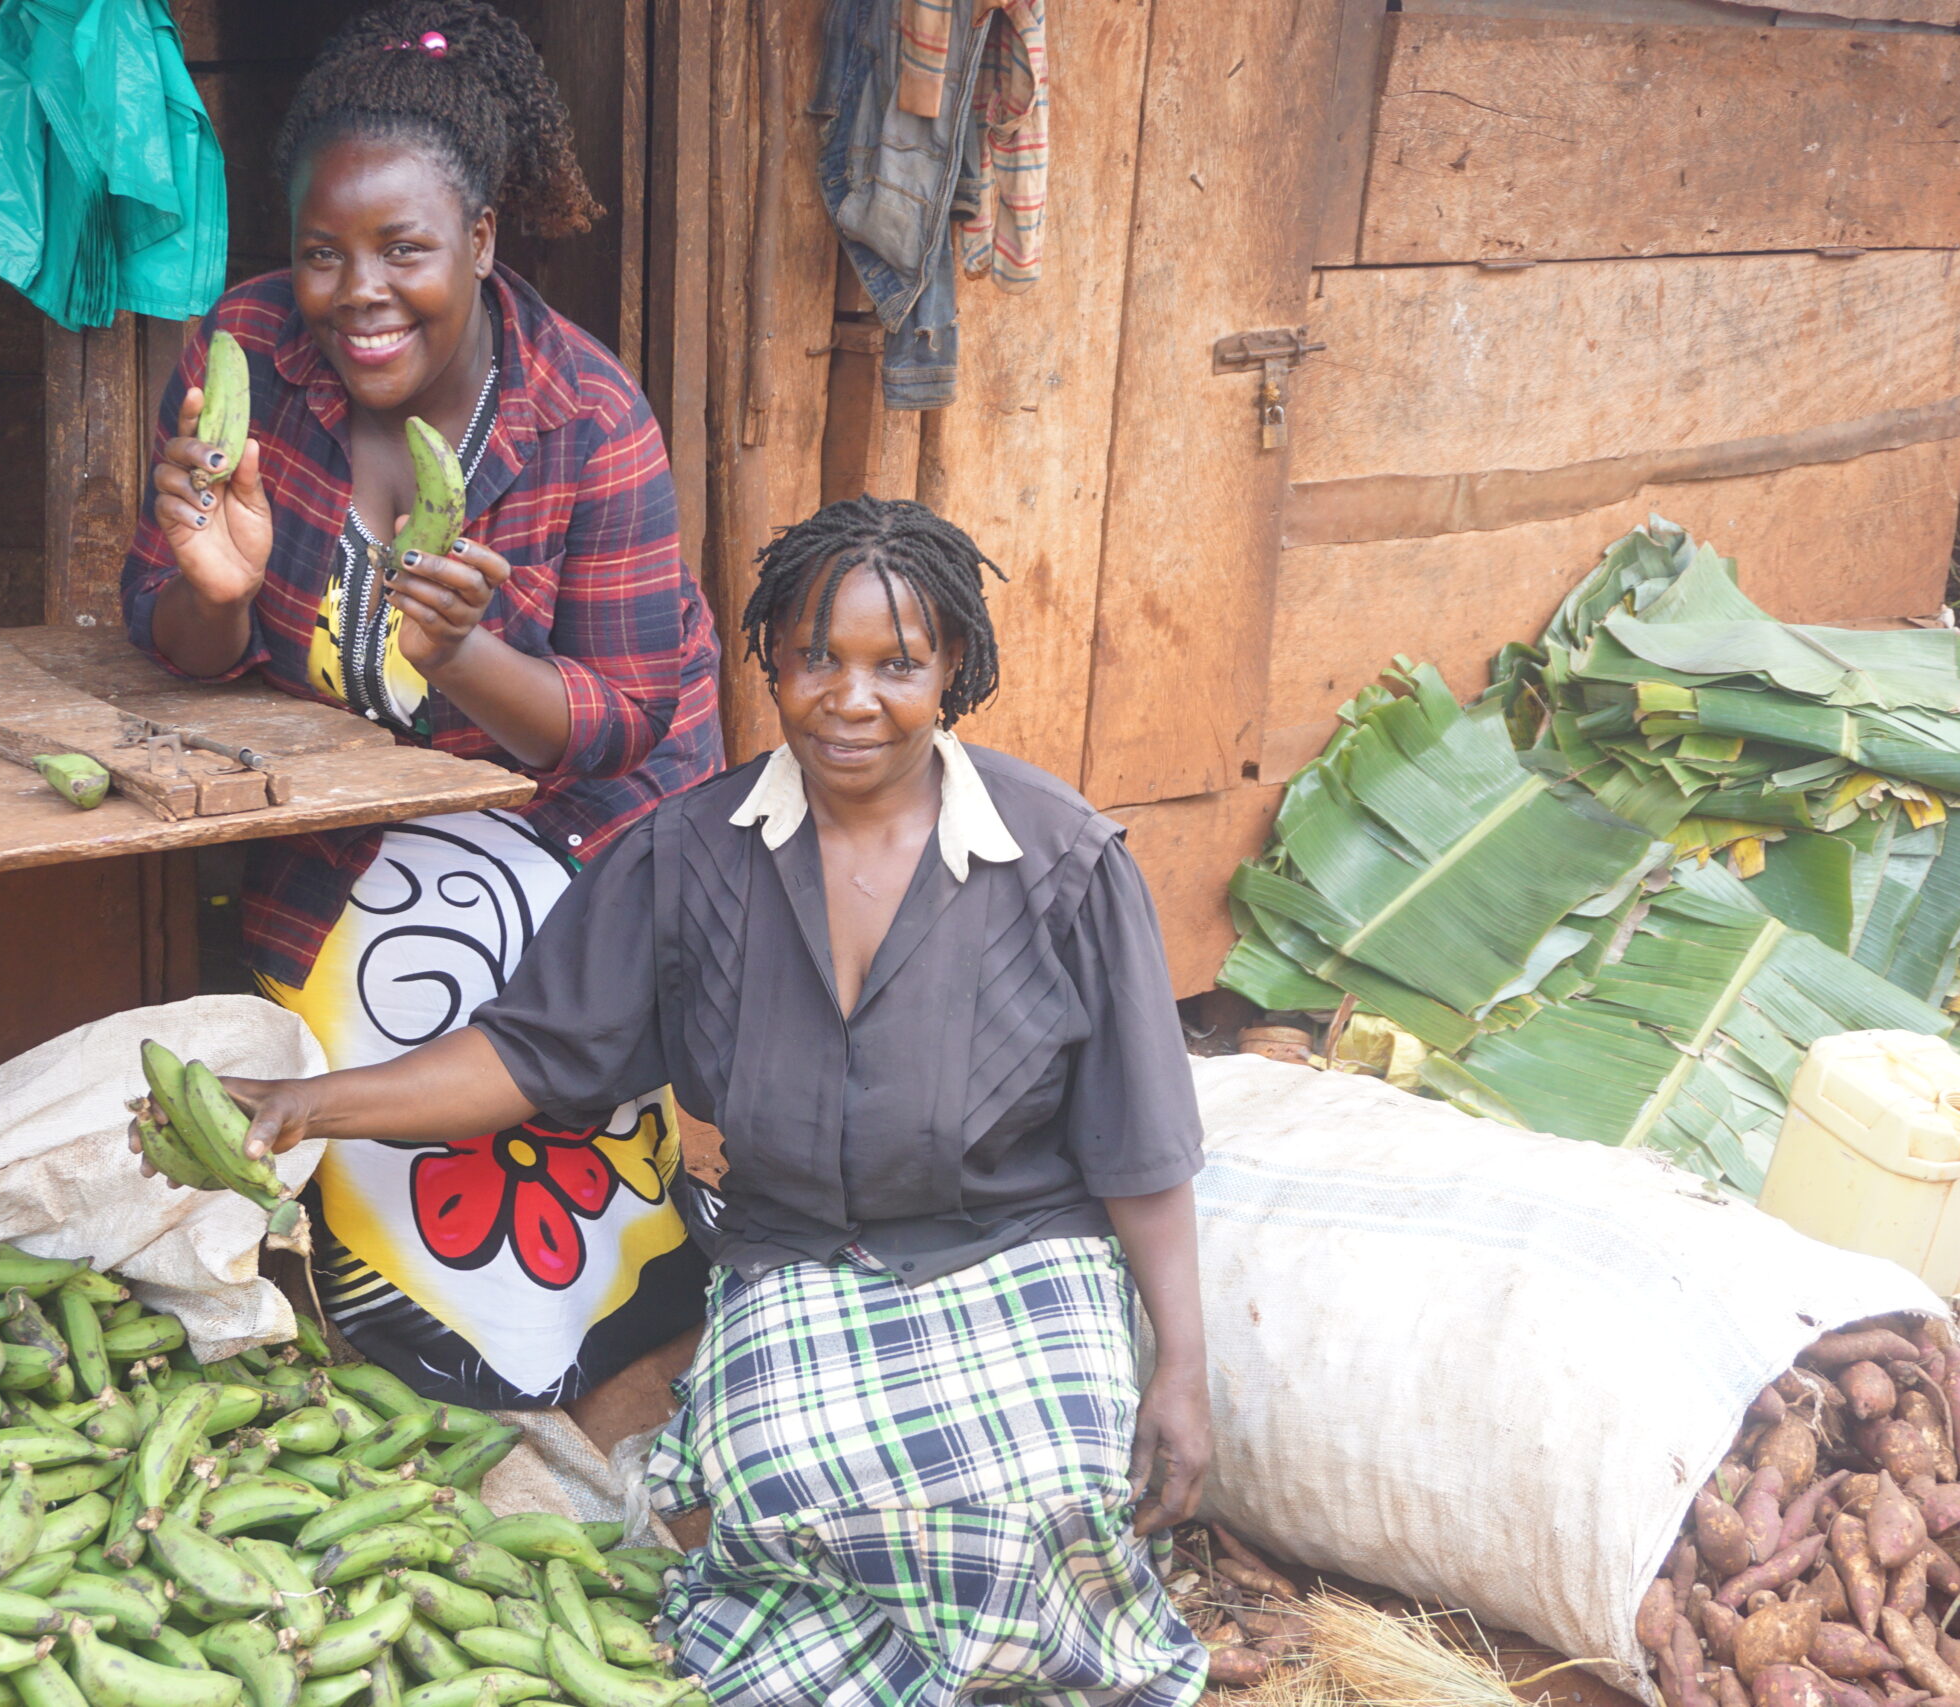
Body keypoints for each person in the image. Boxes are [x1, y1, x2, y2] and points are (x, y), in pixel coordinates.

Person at [170, 495, 1215, 1706]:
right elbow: (528, 1057)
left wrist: (1178, 1370)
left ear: (955, 672)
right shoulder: (688, 855)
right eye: (816, 656)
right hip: (801, 1260)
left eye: (898, 665)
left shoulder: (1063, 860)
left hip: (1013, 1254)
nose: (851, 697)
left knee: (1028, 1502)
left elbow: (1140, 1146)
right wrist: (309, 1104)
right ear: (769, 655)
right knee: (786, 1492)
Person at [119, 0, 726, 1410]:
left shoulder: (587, 420)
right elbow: (173, 635)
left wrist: (460, 657)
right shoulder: (249, 358)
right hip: (357, 810)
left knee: (492, 1113)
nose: (359, 294)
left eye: (405, 251)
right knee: (316, 1096)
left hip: (581, 820)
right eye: (324, 253)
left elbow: (623, 721)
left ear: (482, 244)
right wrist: (219, 586)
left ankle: (613, 1273)